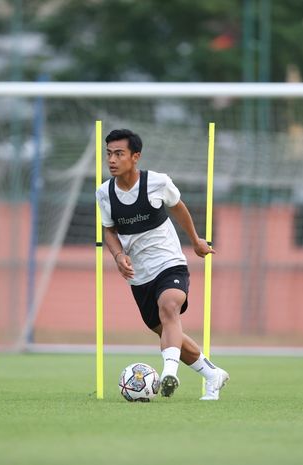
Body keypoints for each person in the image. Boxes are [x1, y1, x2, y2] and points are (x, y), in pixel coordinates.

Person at [95, 128, 229, 400]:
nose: (111, 159)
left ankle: (169, 373)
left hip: (170, 263)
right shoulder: (104, 193)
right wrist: (119, 256)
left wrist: (195, 240)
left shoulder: (157, 183)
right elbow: (108, 231)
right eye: (108, 153)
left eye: (119, 153)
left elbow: (179, 207)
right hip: (139, 277)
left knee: (169, 306)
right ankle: (212, 374)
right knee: (168, 329)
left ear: (135, 157)